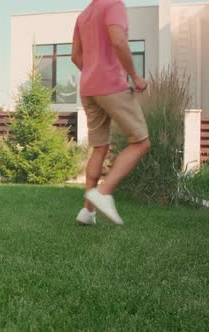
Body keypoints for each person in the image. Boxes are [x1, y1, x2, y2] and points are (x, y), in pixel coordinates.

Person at [72, 0, 151, 225]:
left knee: (100, 147)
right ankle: (104, 193)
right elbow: (118, 40)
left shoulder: (84, 15)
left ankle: (87, 212)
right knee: (141, 142)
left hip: (88, 88)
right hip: (111, 85)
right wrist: (135, 77)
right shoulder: (114, 4)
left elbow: (75, 56)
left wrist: (92, 72)